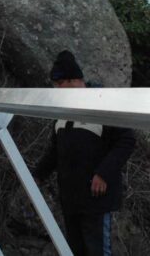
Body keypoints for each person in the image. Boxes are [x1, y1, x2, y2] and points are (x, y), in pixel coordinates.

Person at [34, 50, 136, 256]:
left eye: (59, 84)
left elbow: (126, 140)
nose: (57, 89)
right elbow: (55, 151)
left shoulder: (103, 103)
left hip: (95, 199)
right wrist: (36, 176)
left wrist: (103, 174)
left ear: (73, 80)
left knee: (98, 251)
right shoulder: (62, 113)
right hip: (70, 199)